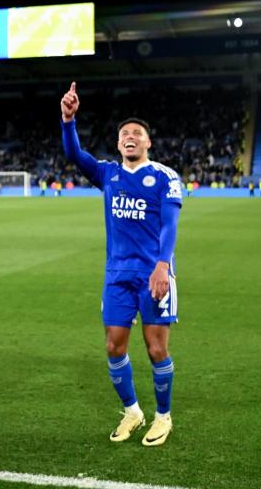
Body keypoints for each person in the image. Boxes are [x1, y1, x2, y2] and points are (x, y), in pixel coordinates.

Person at [61, 82, 182, 446]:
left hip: (154, 275)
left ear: (148, 143)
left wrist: (163, 266)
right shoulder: (108, 173)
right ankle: (133, 410)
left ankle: (163, 415)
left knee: (156, 348)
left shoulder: (164, 176)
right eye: (124, 134)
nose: (130, 137)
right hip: (117, 276)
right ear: (118, 144)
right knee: (114, 347)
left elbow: (170, 225)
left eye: (137, 134)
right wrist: (68, 120)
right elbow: (74, 155)